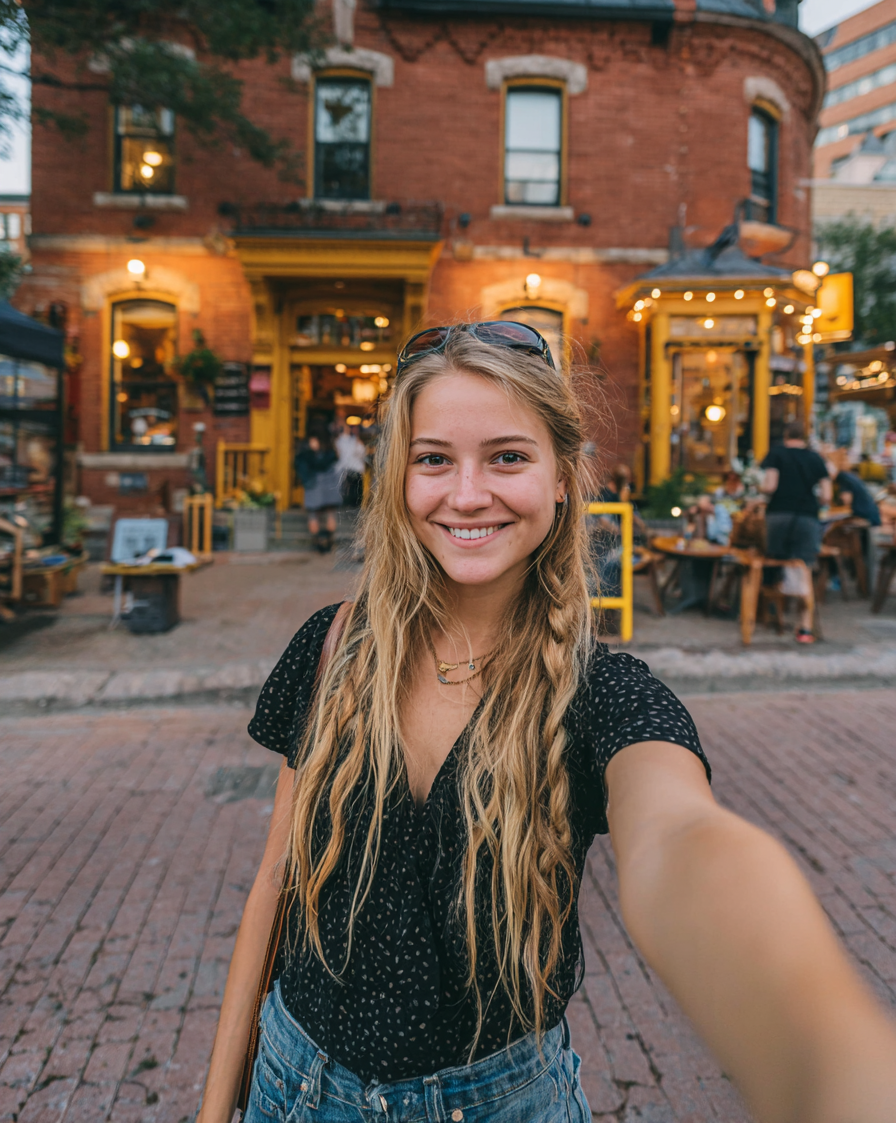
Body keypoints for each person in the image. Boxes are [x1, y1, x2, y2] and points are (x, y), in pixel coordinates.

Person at [199, 324, 896, 1123]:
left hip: (499, 1104)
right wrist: (216, 1109)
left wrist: (825, 1057)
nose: (466, 494)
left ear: (562, 477)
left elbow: (681, 842)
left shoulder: (601, 693)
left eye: (507, 457)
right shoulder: (332, 646)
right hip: (291, 1089)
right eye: (433, 459)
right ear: (398, 479)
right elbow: (273, 884)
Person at [761, 420, 832, 643]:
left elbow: (770, 486)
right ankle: (805, 628)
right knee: (804, 570)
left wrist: (758, 488)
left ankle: (773, 613)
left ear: (785, 435)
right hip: (807, 517)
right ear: (804, 436)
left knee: (773, 564)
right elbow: (827, 496)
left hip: (779, 515)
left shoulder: (777, 454)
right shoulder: (815, 458)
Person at [294, 425, 343, 552]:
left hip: (314, 483)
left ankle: (318, 543)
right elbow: (335, 459)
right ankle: (329, 542)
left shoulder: (306, 450)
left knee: (313, 515)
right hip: (329, 482)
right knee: (330, 513)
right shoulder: (330, 448)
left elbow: (301, 464)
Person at [335, 422, 367, 509]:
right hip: (353, 468)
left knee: (350, 488)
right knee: (354, 489)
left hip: (349, 468)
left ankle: (349, 504)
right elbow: (362, 453)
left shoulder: (342, 441)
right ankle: (354, 505)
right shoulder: (349, 441)